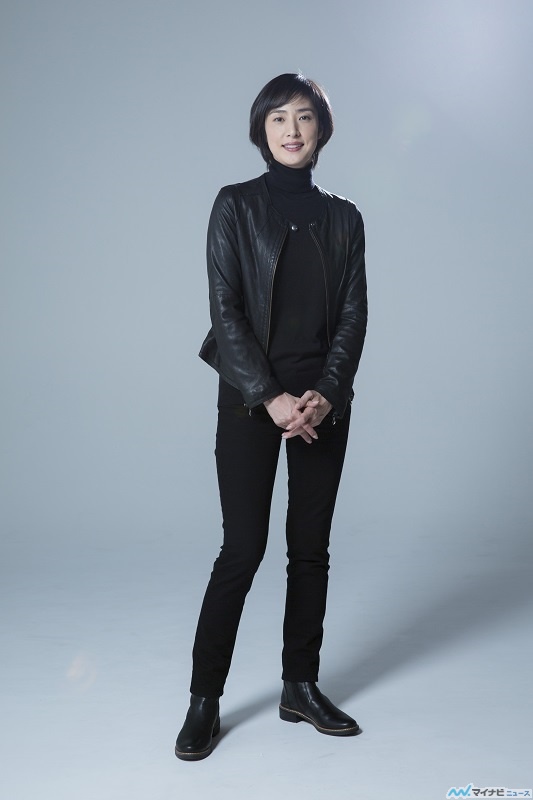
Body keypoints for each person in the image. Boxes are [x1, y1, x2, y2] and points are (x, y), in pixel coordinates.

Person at [175, 73, 368, 761]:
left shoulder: (345, 218)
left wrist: (327, 392)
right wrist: (270, 396)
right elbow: (224, 309)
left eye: (305, 117)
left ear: (321, 130)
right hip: (250, 401)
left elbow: (353, 315)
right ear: (261, 129)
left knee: (310, 550)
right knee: (242, 550)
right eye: (279, 117)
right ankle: (204, 700)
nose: (292, 129)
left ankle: (300, 687)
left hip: (321, 405)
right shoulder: (234, 206)